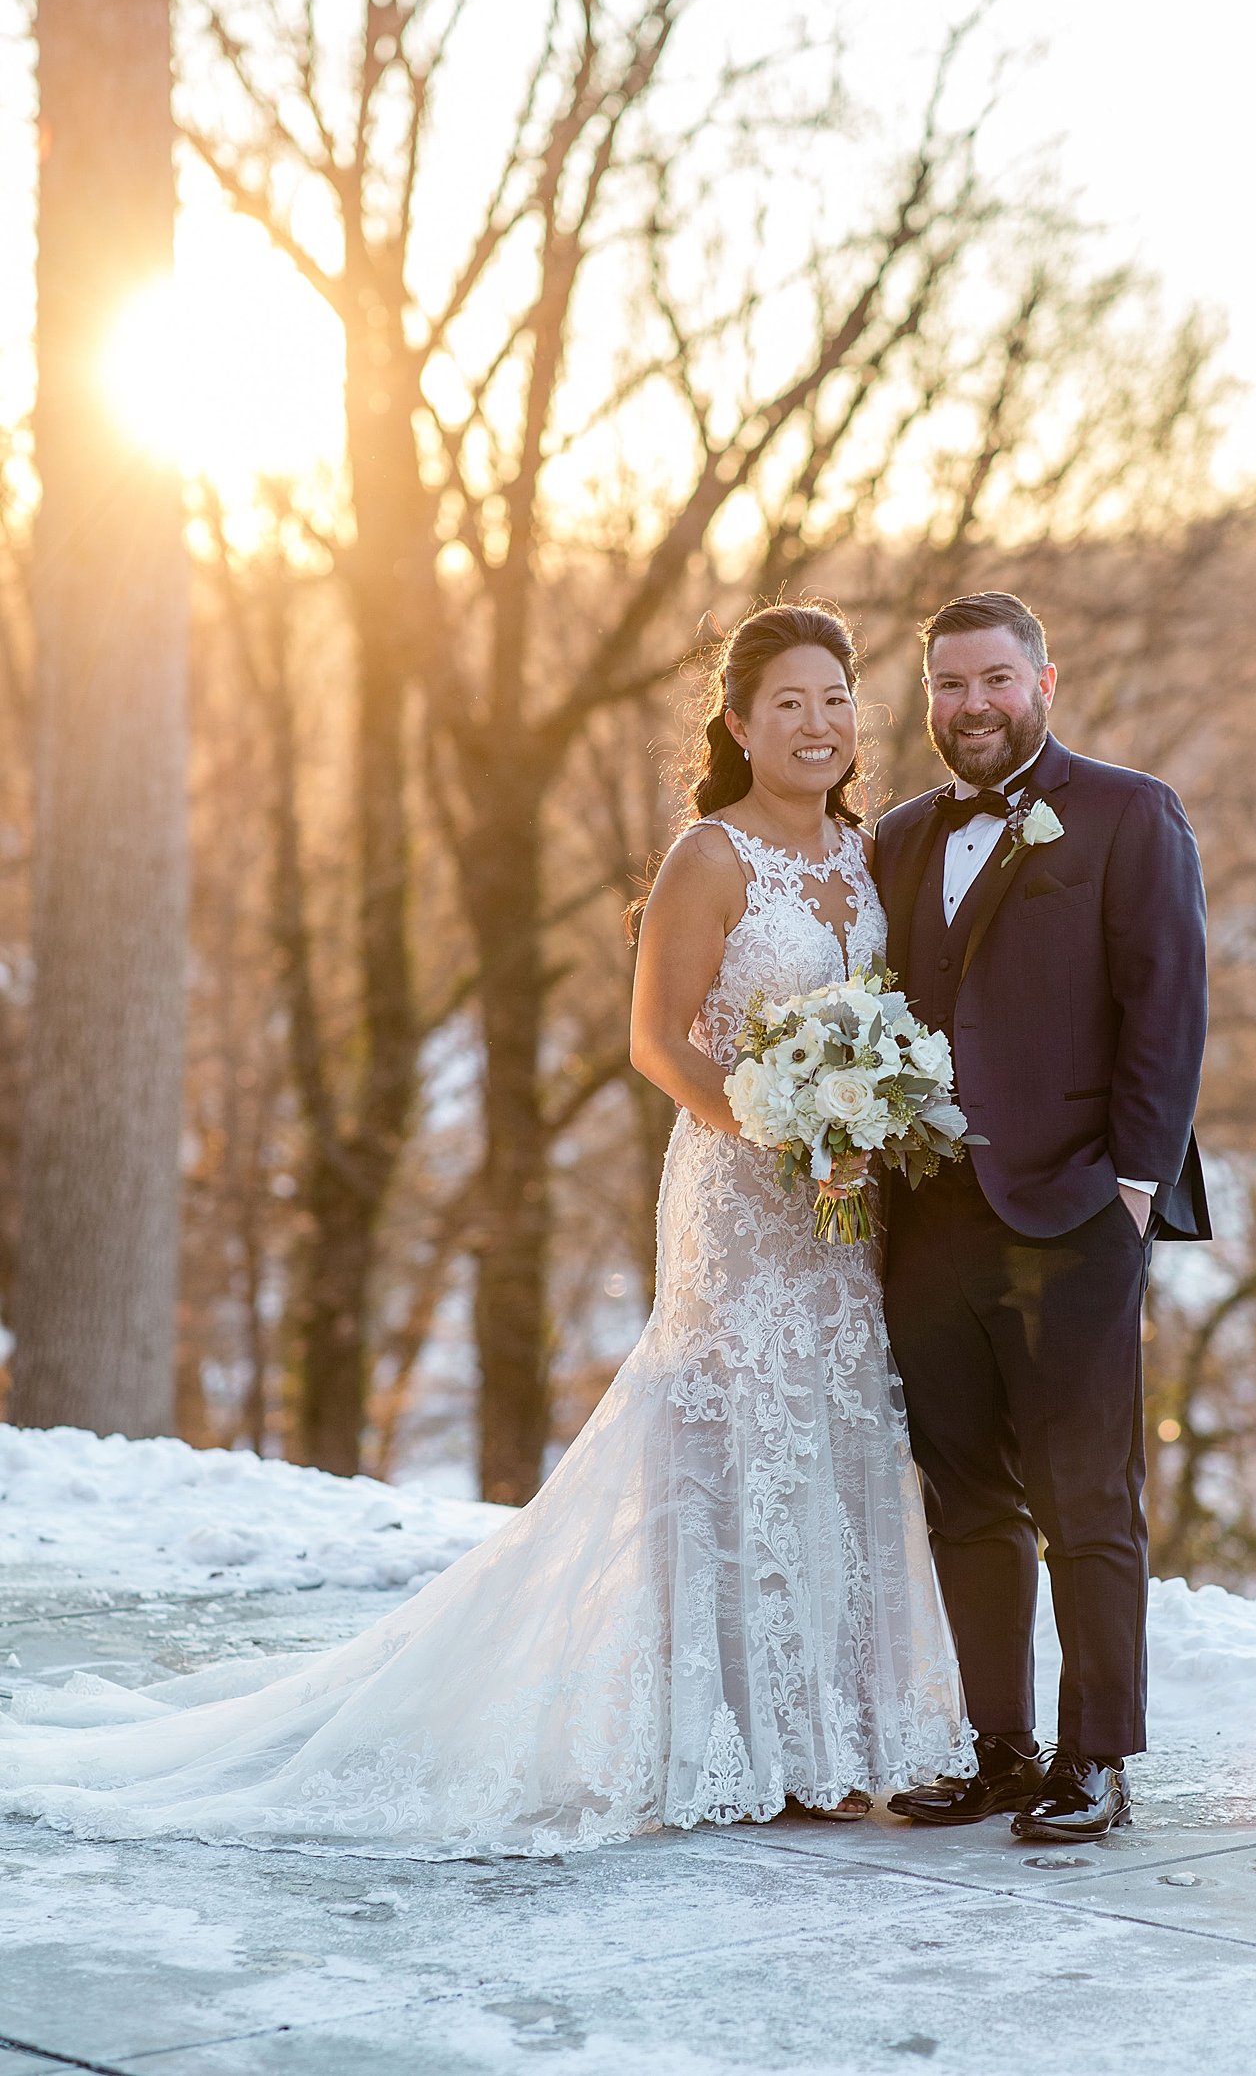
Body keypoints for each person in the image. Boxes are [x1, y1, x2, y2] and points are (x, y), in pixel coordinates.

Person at [0, 602, 972, 1856]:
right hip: (742, 1196)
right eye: (788, 703)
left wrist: (872, 1116)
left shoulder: (867, 852)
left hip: (849, 1216)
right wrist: (782, 1127)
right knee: (733, 1440)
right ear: (738, 725)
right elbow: (656, 1042)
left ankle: (833, 1743)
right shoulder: (711, 857)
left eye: (835, 699)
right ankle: (733, 1738)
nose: (818, 724)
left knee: (838, 1430)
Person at [876, 590, 1210, 1843]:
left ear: (1044, 684)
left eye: (995, 680)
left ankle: (1098, 1763)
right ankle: (1000, 1752)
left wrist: (1134, 1186)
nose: (973, 706)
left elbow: (1167, 1005)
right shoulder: (898, 837)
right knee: (964, 1496)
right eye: (949, 685)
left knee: (1086, 1499)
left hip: (1076, 1208)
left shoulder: (1130, 813)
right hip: (928, 1218)